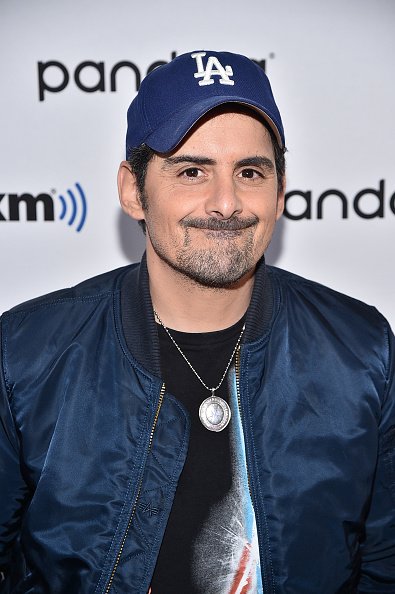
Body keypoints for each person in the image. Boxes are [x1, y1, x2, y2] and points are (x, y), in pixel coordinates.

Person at [0, 50, 394, 594]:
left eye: (250, 172)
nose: (226, 203)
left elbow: (384, 566)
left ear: (280, 193)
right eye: (192, 171)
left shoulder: (363, 350)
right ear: (133, 191)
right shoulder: (26, 354)